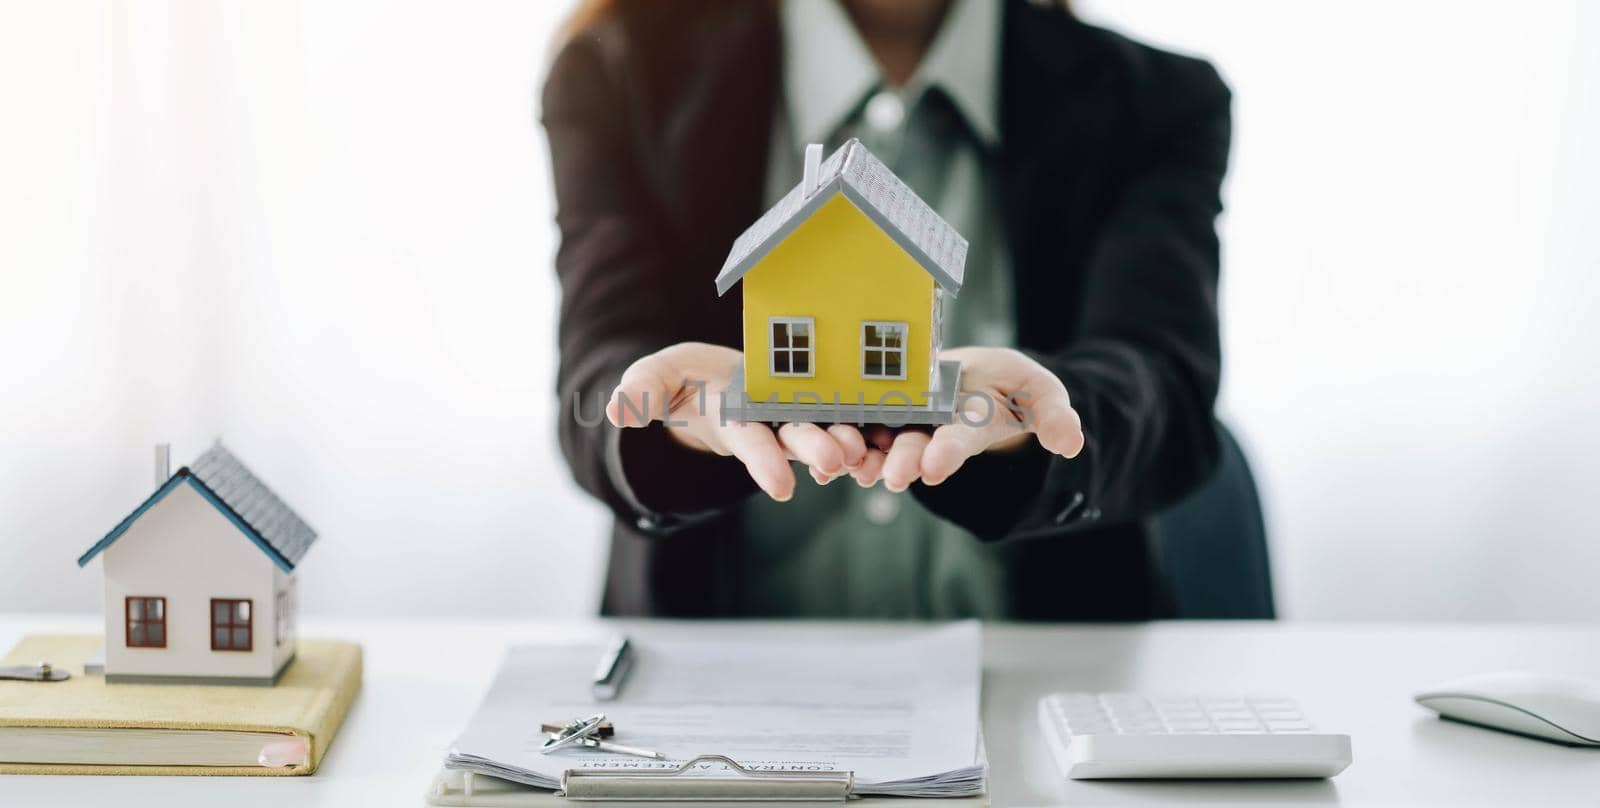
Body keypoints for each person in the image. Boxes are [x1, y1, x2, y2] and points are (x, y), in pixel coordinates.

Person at [543, 0, 1231, 620]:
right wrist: (675, 423)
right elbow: (597, 372)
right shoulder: (617, 73)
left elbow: (1164, 392)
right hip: (708, 709)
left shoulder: (1161, 101)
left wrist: (1033, 425)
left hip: (1046, 688)